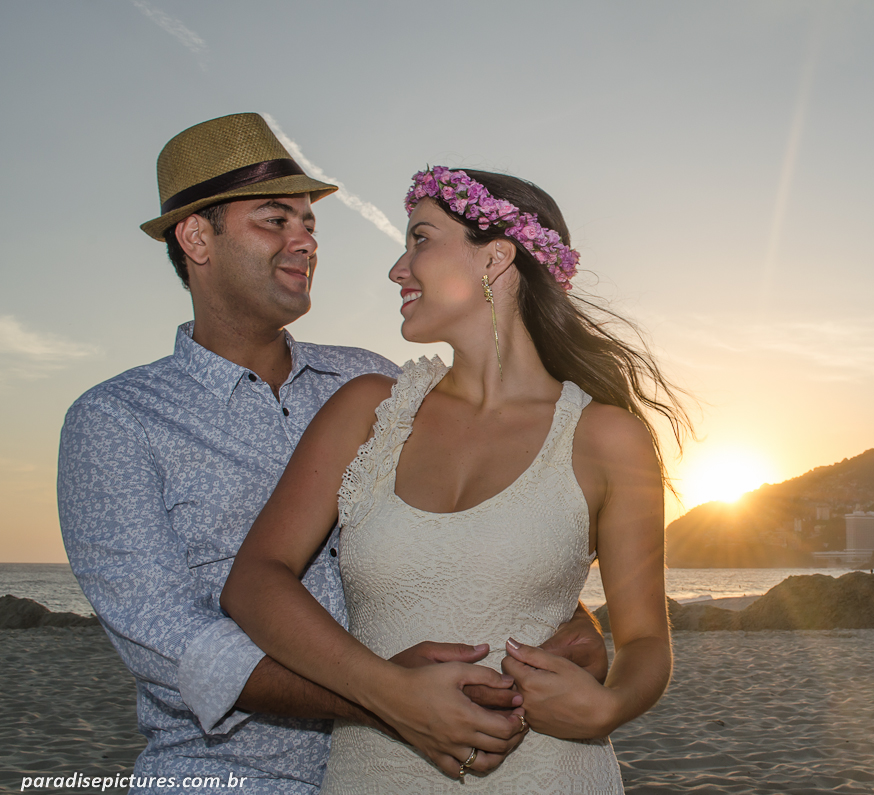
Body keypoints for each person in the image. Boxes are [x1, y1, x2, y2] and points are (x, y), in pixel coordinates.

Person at [58, 115, 605, 793]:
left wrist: (569, 620)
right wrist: (386, 697)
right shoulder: (116, 420)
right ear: (197, 236)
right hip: (223, 775)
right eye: (274, 220)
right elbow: (174, 645)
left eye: (309, 224)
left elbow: (475, 531)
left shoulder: (371, 381)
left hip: (412, 771)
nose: (304, 242)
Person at [223, 166, 689, 791]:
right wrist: (392, 694)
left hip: (548, 773)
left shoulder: (608, 438)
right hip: (374, 773)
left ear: (496, 257)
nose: (397, 269)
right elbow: (253, 582)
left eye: (420, 238)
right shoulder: (368, 409)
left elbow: (644, 642)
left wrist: (608, 707)